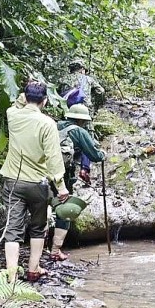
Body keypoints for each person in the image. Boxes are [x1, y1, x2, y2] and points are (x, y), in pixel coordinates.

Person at [0, 81, 69, 282]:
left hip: (13, 180)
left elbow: (17, 102)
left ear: (26, 96)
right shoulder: (47, 124)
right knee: (38, 227)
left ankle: (11, 277)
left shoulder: (12, 115)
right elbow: (53, 158)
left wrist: (27, 93)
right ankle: (33, 269)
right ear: (45, 101)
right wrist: (61, 187)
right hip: (37, 184)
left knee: (12, 229)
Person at [51, 103, 107, 260]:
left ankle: (40, 246)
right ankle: (55, 250)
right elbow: (94, 155)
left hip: (43, 173)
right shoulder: (79, 131)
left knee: (43, 209)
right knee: (64, 209)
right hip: (62, 176)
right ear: (82, 120)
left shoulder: (54, 126)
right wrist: (102, 154)